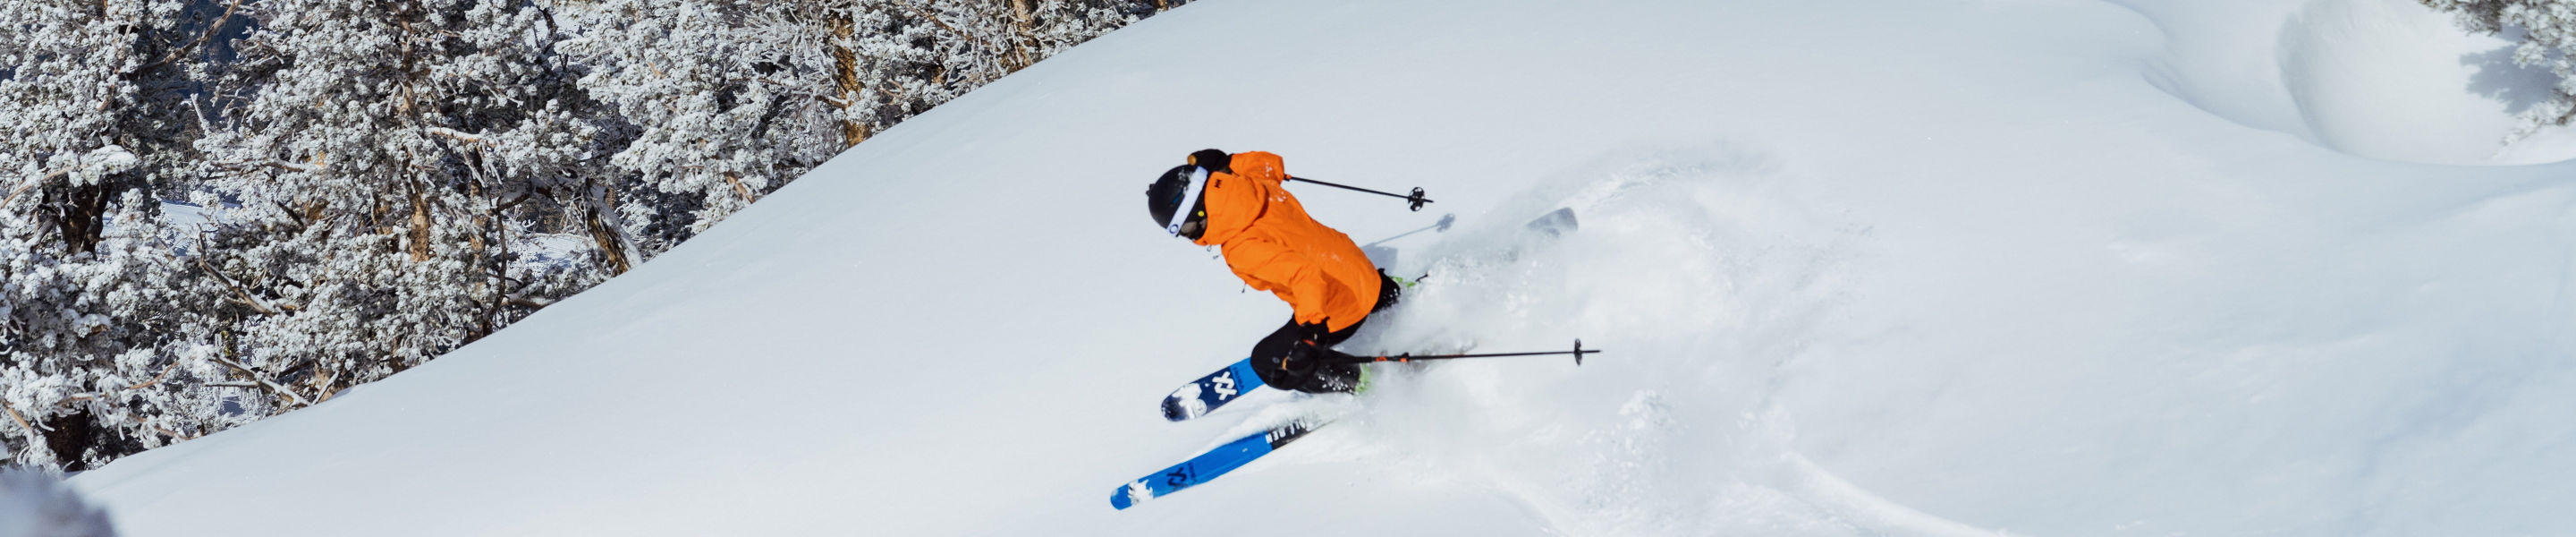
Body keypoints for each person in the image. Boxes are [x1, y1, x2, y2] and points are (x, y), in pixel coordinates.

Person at [1147, 149, 1402, 394]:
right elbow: (1272, 164)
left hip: (1338, 308)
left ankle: (1358, 380)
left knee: (1265, 363)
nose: (1191, 236)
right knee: (1336, 267)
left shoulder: (1240, 247)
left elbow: (1305, 275)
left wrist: (1313, 332)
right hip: (1362, 272)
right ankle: (1390, 293)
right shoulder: (1251, 182)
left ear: (1200, 210)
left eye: (1188, 228)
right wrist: (1230, 162)